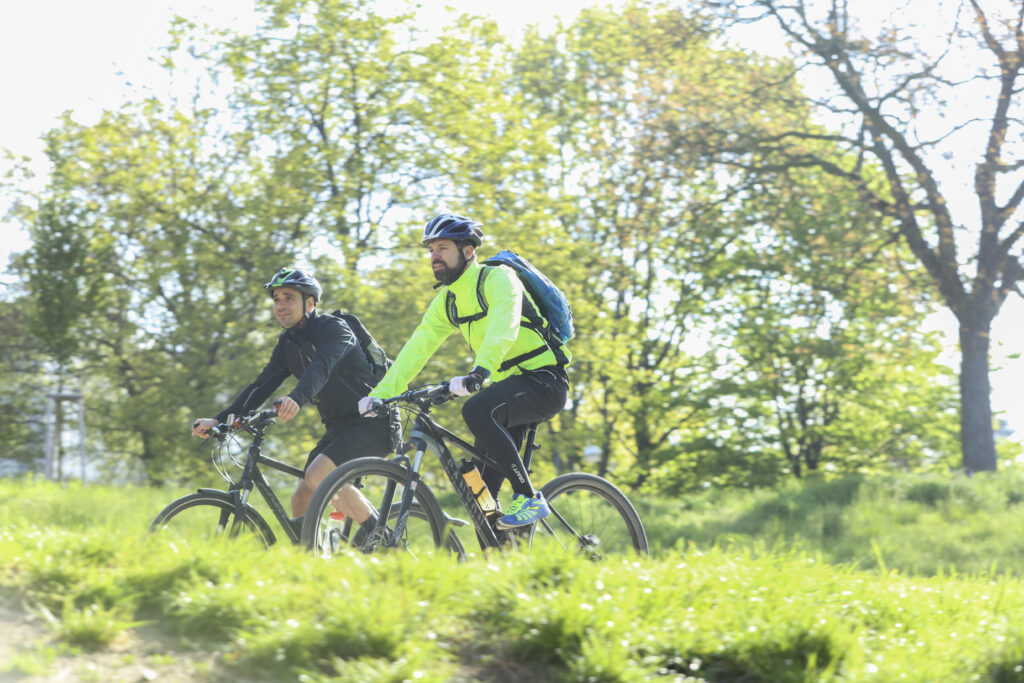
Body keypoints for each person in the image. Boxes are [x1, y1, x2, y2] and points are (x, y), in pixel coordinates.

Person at [358, 214, 570, 529]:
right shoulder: (448, 301)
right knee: (481, 492)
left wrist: (479, 372)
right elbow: (417, 349)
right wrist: (380, 395)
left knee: (475, 409)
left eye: (442, 248)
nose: (434, 256)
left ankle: (528, 497)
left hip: (543, 382)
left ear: (468, 251)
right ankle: (499, 549)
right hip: (507, 394)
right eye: (430, 250)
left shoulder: (498, 279)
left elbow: (504, 328)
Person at [191, 267, 397, 534]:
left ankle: (382, 537)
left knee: (317, 476)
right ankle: (311, 561)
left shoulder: (334, 328)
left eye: (288, 297)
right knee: (301, 496)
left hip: (374, 422)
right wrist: (220, 420)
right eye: (276, 299)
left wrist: (296, 398)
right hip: (338, 428)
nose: (280, 305)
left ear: (309, 303)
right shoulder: (287, 343)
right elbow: (261, 385)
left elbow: (321, 367)